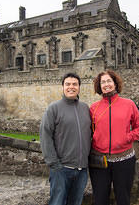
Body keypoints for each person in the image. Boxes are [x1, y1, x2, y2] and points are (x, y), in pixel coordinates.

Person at [89, 70, 139, 205]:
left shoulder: (128, 104)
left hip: (124, 160)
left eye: (109, 81)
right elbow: (89, 132)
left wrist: (126, 138)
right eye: (103, 82)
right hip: (99, 161)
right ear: (99, 86)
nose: (106, 84)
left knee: (123, 199)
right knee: (100, 199)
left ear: (115, 83)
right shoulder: (93, 108)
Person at [39, 72, 91, 205]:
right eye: (67, 84)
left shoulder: (85, 108)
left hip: (82, 170)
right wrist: (54, 164)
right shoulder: (53, 108)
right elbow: (45, 136)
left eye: (75, 84)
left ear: (79, 87)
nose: (71, 87)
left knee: (76, 202)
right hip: (61, 169)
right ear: (62, 87)